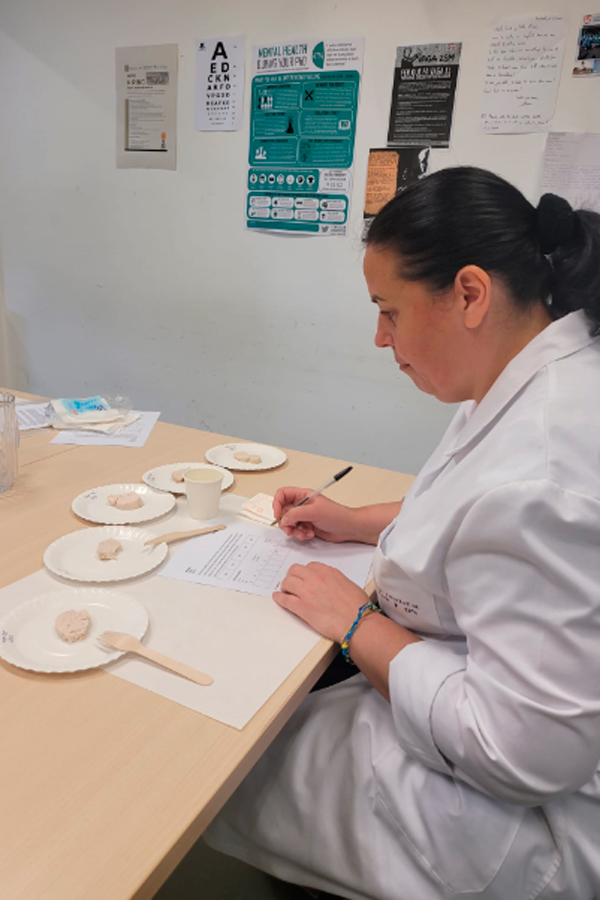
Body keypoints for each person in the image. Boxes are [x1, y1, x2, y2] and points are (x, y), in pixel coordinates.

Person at [204, 167, 600, 899]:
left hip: (538, 818)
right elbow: (467, 504)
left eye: (389, 310)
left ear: (470, 294)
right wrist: (354, 521)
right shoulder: (542, 369)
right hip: (480, 689)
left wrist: (357, 623)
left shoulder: (544, 475)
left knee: (229, 756)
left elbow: (517, 753)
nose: (380, 338)